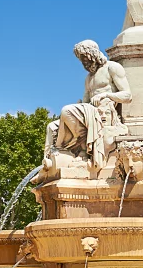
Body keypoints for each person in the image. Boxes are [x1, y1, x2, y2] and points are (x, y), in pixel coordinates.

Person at [43, 40, 132, 170]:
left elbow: (127, 95)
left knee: (66, 110)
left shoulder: (111, 67)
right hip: (89, 111)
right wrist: (80, 104)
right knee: (52, 126)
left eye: (84, 57)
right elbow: (85, 102)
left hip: (103, 113)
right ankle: (52, 161)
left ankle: (84, 151)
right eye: (81, 58)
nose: (83, 61)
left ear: (93, 54)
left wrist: (106, 95)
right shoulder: (89, 78)